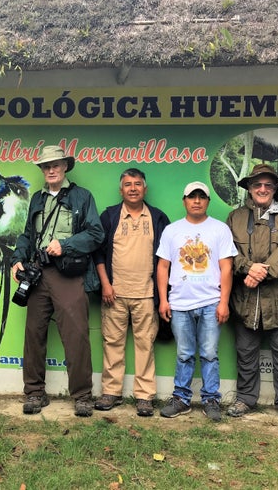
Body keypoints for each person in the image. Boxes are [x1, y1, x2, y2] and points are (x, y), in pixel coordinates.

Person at [11, 145, 104, 417]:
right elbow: (28, 235)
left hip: (69, 274)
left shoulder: (82, 197)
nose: (50, 169)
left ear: (65, 167)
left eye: (56, 165)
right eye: (45, 166)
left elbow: (96, 234)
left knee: (76, 335)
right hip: (38, 274)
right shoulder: (37, 200)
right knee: (34, 334)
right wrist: (18, 257)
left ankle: (82, 396)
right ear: (42, 170)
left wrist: (66, 244)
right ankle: (34, 393)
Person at [225, 164, 278, 426]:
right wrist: (247, 268)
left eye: (268, 185)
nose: (262, 189)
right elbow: (227, 252)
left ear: (275, 190)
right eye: (257, 184)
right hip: (244, 300)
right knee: (246, 352)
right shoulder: (235, 217)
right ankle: (245, 398)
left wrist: (261, 273)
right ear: (249, 187)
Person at [156, 181, 236, 421]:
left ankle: (211, 399)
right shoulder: (172, 230)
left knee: (210, 353)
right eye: (192, 197)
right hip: (179, 304)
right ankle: (181, 399)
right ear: (185, 201)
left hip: (211, 301)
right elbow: (162, 266)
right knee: (184, 353)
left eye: (202, 197)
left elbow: (227, 268)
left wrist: (224, 302)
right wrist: (163, 300)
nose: (197, 201)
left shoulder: (220, 229)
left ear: (208, 201)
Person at [93, 168, 170, 417]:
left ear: (145, 189)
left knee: (145, 345)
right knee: (112, 343)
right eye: (128, 184)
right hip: (114, 293)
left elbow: (165, 260)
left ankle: (145, 396)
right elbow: (98, 254)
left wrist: (162, 295)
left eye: (137, 184)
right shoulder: (109, 216)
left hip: (147, 294)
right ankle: (111, 392)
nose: (133, 188)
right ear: (121, 189)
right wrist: (105, 284)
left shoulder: (158, 218)